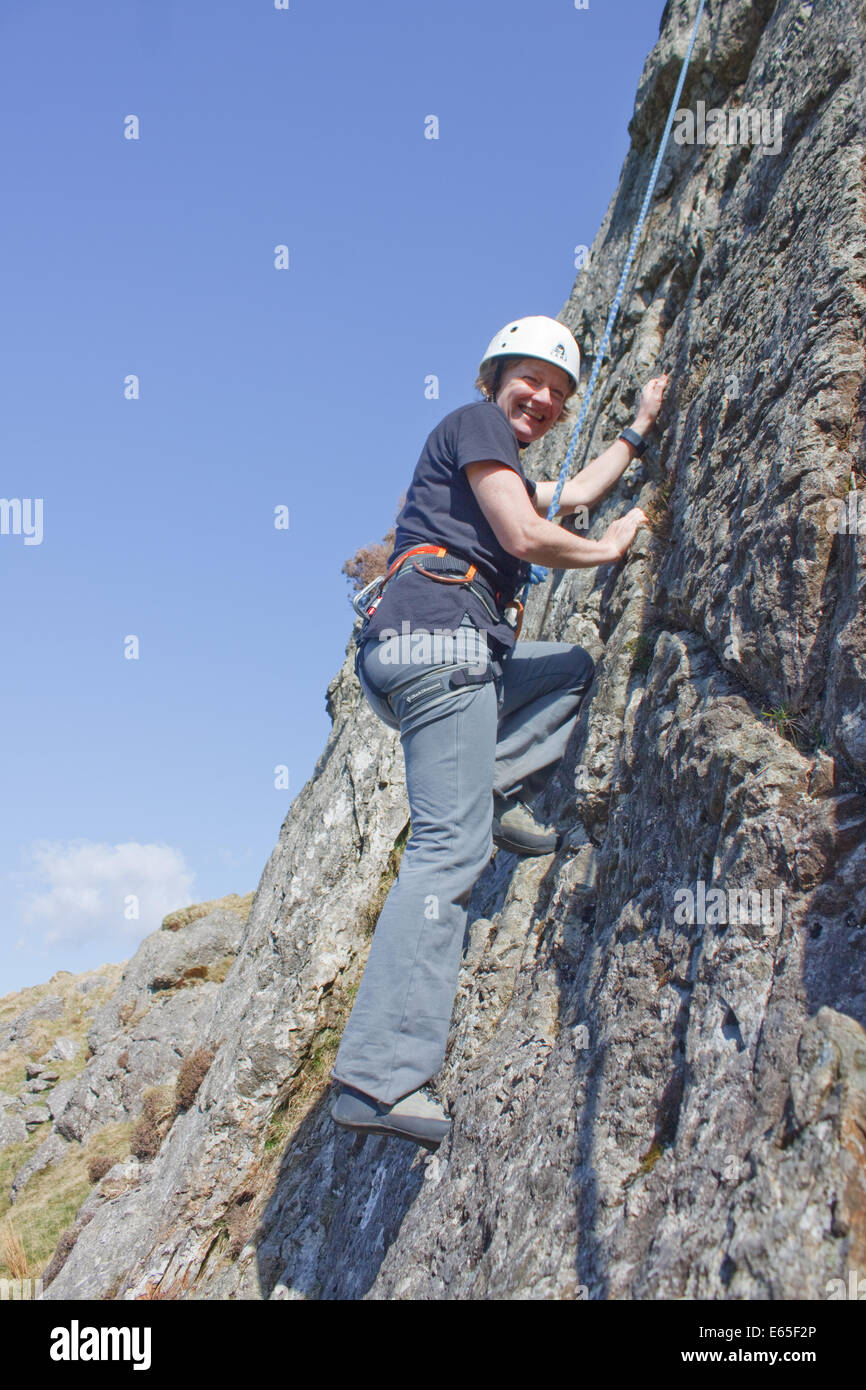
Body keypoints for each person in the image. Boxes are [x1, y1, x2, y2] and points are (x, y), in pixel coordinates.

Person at [330, 315, 668, 1149]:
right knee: (449, 851)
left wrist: (639, 427)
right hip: (442, 642)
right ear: (494, 378)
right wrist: (612, 550)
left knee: (569, 670)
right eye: (531, 381)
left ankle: (494, 781)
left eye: (558, 392)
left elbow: (575, 493)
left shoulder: (501, 464)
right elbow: (526, 537)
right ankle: (378, 1077)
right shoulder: (476, 422)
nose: (544, 399)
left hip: (440, 651)